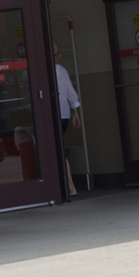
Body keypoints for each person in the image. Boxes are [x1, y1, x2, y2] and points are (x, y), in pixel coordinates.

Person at [53, 50, 83, 197]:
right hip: (64, 113)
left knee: (55, 150)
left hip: (52, 114)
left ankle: (69, 186)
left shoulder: (42, 70)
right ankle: (69, 186)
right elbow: (71, 94)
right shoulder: (61, 70)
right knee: (58, 148)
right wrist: (75, 113)